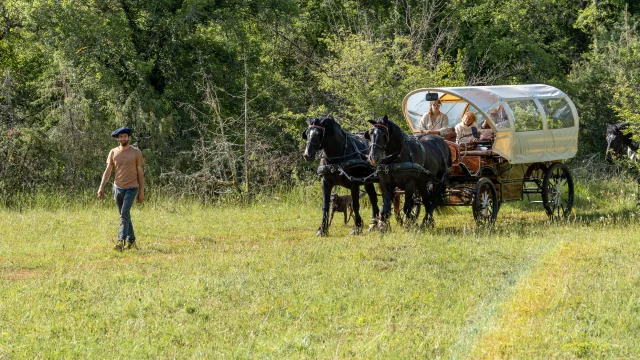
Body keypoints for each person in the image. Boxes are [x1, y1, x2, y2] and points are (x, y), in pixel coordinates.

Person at [97, 127, 145, 251]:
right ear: (117, 139)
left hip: (132, 188)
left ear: (129, 137)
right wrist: (101, 187)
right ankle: (131, 240)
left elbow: (140, 172)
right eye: (121, 136)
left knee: (124, 214)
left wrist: (141, 191)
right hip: (117, 188)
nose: (123, 138)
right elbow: (108, 171)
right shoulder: (113, 152)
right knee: (125, 215)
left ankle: (120, 241)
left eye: (125, 136)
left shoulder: (136, 152)